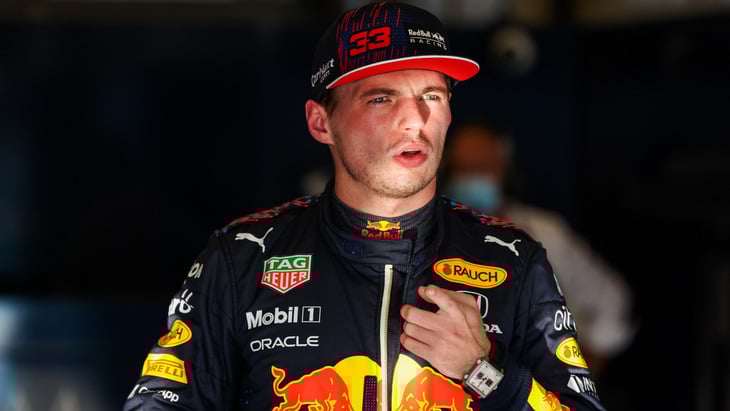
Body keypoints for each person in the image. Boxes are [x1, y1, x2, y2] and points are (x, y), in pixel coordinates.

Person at [123, 2, 606, 410]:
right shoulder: (240, 259)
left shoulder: (514, 260)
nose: (414, 120)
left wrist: (487, 373)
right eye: (381, 98)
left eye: (431, 95)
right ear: (321, 123)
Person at [443, 122, 635, 374]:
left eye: (482, 167)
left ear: (505, 169)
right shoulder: (437, 233)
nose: (472, 177)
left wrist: (579, 374)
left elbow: (611, 300)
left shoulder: (545, 231)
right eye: (463, 169)